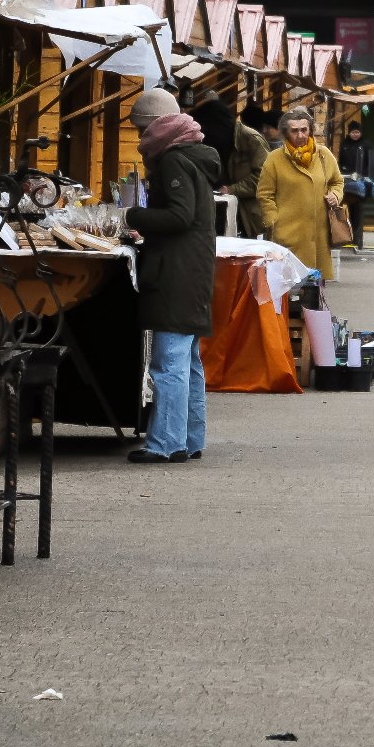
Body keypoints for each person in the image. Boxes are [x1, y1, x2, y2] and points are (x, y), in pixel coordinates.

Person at [123, 88, 221, 465]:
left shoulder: (174, 160)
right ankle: (189, 438)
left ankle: (165, 443)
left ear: (155, 126)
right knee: (188, 360)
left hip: (177, 271)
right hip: (193, 268)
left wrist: (133, 216)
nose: (139, 139)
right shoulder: (194, 157)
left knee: (169, 362)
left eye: (140, 130)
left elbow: (180, 216)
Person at [256, 106, 345, 280]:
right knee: (288, 292)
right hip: (287, 235)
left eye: (304, 130)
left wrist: (335, 194)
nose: (300, 135)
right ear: (285, 133)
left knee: (314, 293)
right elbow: (264, 194)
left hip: (319, 236)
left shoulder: (324, 155)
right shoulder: (274, 158)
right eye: (294, 131)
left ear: (310, 130)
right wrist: (274, 221)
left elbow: (337, 181)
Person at [190, 95, 269, 238]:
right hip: (224, 214)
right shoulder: (217, 142)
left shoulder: (250, 139)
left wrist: (231, 189)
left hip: (250, 217)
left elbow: (264, 178)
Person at [336, 118, 374, 249]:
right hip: (347, 180)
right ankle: (344, 236)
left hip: (361, 181)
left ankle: (357, 237)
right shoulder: (344, 144)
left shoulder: (366, 144)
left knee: (358, 210)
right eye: (353, 132)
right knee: (344, 208)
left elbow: (370, 163)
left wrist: (363, 175)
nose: (355, 135)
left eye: (357, 132)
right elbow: (340, 161)